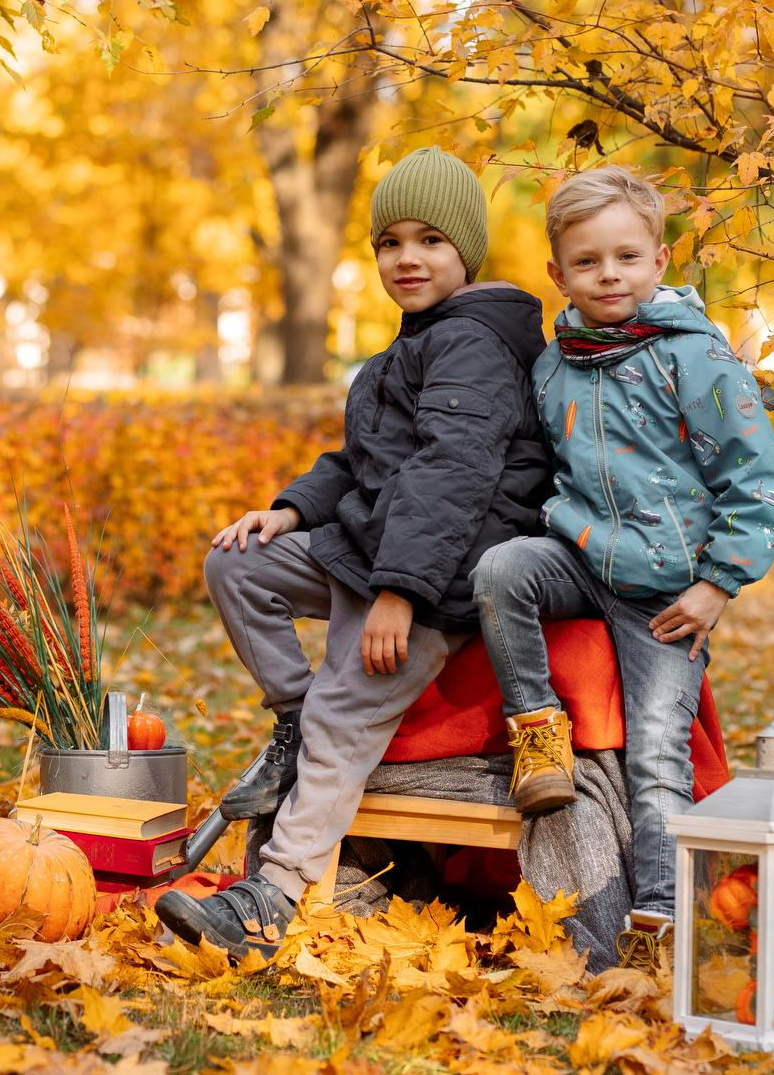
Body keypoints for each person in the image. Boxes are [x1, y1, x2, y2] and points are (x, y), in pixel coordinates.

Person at [155, 147, 553, 960]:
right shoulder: (406, 349)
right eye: (390, 242)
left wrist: (401, 595)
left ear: (466, 252)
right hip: (375, 550)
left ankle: (273, 893)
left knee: (348, 705)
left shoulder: (474, 346)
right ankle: (296, 722)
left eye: (430, 240)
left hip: (440, 577)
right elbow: (359, 462)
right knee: (237, 563)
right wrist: (290, 508)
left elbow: (449, 476)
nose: (407, 257)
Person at [474, 164, 774, 946]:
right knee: (501, 570)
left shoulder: (696, 358)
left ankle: (660, 916)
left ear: (658, 260)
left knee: (654, 748)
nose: (607, 274)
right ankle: (537, 732)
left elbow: (753, 478)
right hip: (583, 556)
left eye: (625, 257)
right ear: (558, 274)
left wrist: (718, 584)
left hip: (668, 592)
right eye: (587, 261)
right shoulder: (554, 368)